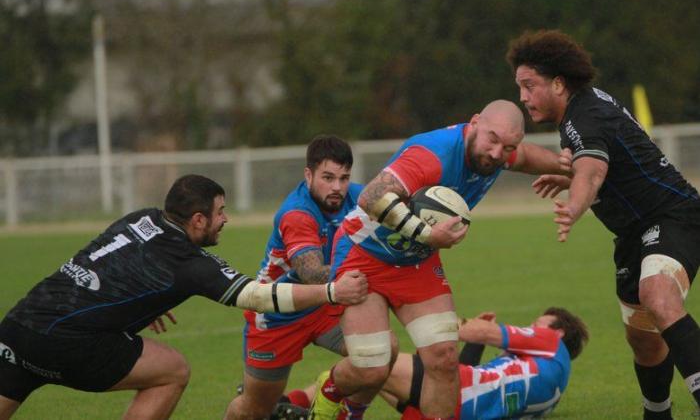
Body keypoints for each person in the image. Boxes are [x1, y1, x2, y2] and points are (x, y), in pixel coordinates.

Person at [0, 174, 368, 420]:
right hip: (69, 342)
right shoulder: (190, 263)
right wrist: (331, 291)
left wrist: (141, 303)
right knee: (172, 371)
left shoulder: (139, 218)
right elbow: (257, 297)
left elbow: (108, 263)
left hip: (19, 324)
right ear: (197, 220)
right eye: (220, 212)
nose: (225, 220)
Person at [309, 100, 572, 420]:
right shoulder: (434, 153)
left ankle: (353, 411)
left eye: (507, 147)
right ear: (474, 122)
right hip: (363, 254)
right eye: (492, 140)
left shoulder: (499, 151)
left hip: (416, 264)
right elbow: (371, 197)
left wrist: (573, 168)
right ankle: (331, 391)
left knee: (444, 358)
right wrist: (428, 235)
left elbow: (528, 156)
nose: (496, 153)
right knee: (372, 366)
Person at [507, 29, 700, 420]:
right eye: (519, 87)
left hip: (673, 216)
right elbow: (602, 166)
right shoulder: (580, 111)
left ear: (558, 84)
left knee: (658, 295)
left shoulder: (585, 116)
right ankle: (657, 412)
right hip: (632, 234)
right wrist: (569, 180)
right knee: (643, 338)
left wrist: (574, 206)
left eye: (530, 86)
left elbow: (592, 173)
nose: (523, 97)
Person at [224, 135, 365, 420]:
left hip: (326, 306)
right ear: (308, 175)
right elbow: (311, 273)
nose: (337, 187)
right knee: (256, 408)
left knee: (377, 356)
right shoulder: (297, 213)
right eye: (328, 177)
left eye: (344, 178)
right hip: (277, 315)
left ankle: (339, 411)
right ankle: (287, 404)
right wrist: (368, 273)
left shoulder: (360, 198)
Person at [279, 307, 588, 420]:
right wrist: (475, 343)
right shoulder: (550, 386)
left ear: (558, 332)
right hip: (452, 408)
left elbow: (476, 333)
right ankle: (290, 407)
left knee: (371, 360)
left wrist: (448, 322)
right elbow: (475, 379)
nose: (530, 328)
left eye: (536, 324)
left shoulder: (549, 343)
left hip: (447, 395)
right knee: (369, 374)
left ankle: (289, 404)